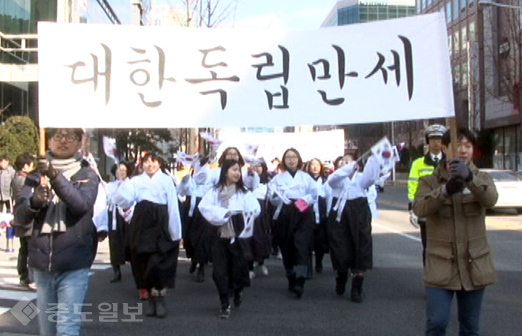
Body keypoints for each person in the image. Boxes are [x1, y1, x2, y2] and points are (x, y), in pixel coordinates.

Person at [14, 128, 100, 336]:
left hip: (74, 263)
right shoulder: (35, 176)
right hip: (42, 265)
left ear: (80, 142)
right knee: (47, 330)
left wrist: (55, 176)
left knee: (67, 329)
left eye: (70, 136)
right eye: (57, 136)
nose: (63, 141)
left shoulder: (87, 174)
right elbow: (20, 216)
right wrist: (34, 202)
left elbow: (80, 205)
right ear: (49, 141)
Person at [413, 127, 498, 336]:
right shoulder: (429, 180)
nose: (463, 150)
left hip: (473, 264)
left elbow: (491, 200)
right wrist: (444, 191)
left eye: (468, 146)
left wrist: (470, 178)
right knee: (437, 322)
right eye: (457, 145)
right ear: (444, 147)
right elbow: (420, 208)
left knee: (470, 327)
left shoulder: (482, 178)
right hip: (441, 265)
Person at [114, 153, 182, 318]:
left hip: (160, 222)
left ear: (159, 163)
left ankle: (160, 298)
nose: (150, 164)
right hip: (142, 223)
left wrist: (175, 232)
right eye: (146, 161)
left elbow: (173, 206)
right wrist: (122, 192)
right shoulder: (136, 181)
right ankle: (151, 298)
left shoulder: (166, 180)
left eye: (153, 161)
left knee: (159, 262)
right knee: (142, 260)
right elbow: (126, 200)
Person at [198, 159, 261, 319]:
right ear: (225, 171)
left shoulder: (244, 192)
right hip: (219, 234)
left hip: (238, 235)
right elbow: (204, 207)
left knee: (238, 268)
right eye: (234, 170)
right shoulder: (215, 191)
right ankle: (224, 302)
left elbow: (255, 209)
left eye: (238, 170)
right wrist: (223, 214)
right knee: (219, 271)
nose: (237, 173)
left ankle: (237, 290)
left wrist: (239, 215)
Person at [327, 153, 380, 303]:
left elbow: (370, 178)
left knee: (361, 249)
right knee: (340, 249)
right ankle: (341, 275)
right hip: (340, 216)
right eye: (342, 162)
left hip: (359, 214)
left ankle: (357, 287)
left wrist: (373, 160)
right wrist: (348, 167)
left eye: (348, 161)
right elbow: (333, 179)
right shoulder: (336, 179)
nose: (345, 163)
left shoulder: (360, 179)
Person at [268, 148, 318, 299]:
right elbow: (272, 197)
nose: (291, 160)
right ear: (284, 160)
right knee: (287, 247)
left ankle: (300, 281)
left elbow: (314, 194)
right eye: (288, 157)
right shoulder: (277, 179)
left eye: (294, 157)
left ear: (299, 159)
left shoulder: (306, 177)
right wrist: (278, 199)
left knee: (301, 247)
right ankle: (291, 275)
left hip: (302, 212)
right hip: (285, 212)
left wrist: (304, 202)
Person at [408, 124, 447, 266]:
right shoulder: (418, 164)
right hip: (426, 211)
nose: (436, 142)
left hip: (445, 210)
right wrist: (413, 209)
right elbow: (413, 186)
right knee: (428, 247)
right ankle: (430, 275)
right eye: (433, 139)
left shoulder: (450, 162)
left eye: (439, 139)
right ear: (428, 142)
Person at [177, 157, 213, 283]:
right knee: (189, 241)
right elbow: (180, 191)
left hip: (204, 213)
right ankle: (193, 259)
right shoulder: (190, 180)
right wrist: (185, 180)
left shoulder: (210, 182)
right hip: (190, 213)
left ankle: (201, 267)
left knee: (202, 241)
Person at [105, 162, 134, 283]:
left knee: (131, 242)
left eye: (123, 170)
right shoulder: (110, 185)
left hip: (129, 215)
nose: (120, 172)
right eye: (118, 170)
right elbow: (107, 198)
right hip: (114, 215)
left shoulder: (131, 184)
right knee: (115, 242)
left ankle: (136, 269)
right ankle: (116, 271)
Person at [10, 153, 35, 288]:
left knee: (24, 248)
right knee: (30, 249)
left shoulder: (15, 178)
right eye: (31, 165)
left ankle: (23, 276)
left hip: (19, 217)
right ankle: (30, 277)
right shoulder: (25, 180)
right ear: (25, 166)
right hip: (27, 217)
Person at [249, 158, 272, 278]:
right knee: (250, 240)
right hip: (249, 215)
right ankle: (250, 266)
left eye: (260, 166)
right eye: (255, 166)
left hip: (262, 215)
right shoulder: (247, 180)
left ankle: (261, 261)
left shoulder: (268, 182)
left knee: (261, 239)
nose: (257, 168)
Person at [306, 158, 329, 274]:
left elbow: (329, 198)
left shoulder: (325, 181)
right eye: (312, 165)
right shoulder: (304, 180)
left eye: (317, 165)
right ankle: (308, 267)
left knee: (320, 243)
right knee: (307, 243)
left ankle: (319, 262)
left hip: (321, 217)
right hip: (307, 216)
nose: (315, 167)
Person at [1, 154, 16, 251]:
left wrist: (14, 199)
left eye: (4, 162)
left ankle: (9, 244)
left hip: (9, 198)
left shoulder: (11, 171)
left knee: (9, 220)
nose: (2, 164)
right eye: (1, 162)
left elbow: (15, 185)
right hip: (0, 198)